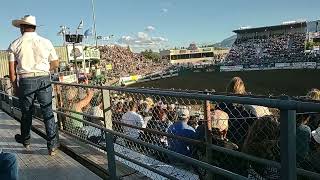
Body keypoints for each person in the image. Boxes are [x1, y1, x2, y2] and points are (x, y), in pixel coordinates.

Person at [8, 15, 59, 156]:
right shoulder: (46, 42)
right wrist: (44, 69)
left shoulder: (14, 44)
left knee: (26, 113)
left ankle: (26, 140)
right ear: (35, 27)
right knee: (48, 112)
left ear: (23, 27)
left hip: (26, 81)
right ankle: (52, 146)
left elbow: (12, 71)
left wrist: (14, 86)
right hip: (43, 79)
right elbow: (55, 63)